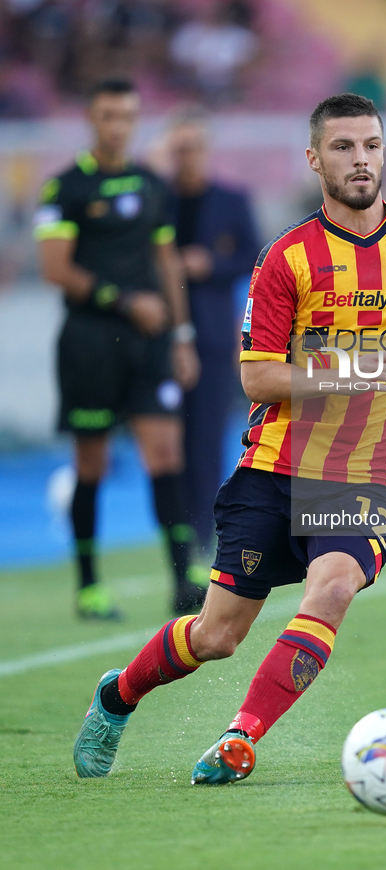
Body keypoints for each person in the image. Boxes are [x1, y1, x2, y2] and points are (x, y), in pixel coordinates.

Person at [72, 93, 386, 783]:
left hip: (367, 472)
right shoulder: (286, 257)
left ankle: (240, 738)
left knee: (334, 586)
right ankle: (118, 695)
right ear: (314, 159)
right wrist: (353, 372)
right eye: (344, 148)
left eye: (371, 145)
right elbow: (256, 379)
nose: (361, 160)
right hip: (275, 467)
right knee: (215, 635)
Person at [35, 76, 204, 620]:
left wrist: (182, 335)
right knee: (92, 463)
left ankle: (182, 580)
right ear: (91, 118)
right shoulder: (63, 190)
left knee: (166, 453)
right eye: (108, 115)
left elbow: (166, 262)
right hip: (89, 342)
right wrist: (126, 301)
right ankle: (88, 587)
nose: (118, 126)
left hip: (151, 341)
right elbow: (55, 268)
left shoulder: (152, 185)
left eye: (127, 116)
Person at [167, 111, 260, 568]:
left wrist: (211, 265)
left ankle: (201, 537)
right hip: (158, 338)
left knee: (204, 441)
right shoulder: (158, 199)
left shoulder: (230, 200)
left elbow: (255, 255)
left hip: (212, 335)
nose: (186, 157)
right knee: (165, 443)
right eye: (178, 147)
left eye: (193, 147)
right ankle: (173, 536)